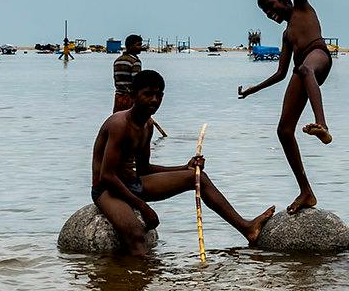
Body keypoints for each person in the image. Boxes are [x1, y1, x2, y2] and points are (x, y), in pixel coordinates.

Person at [91, 69, 273, 257]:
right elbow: (107, 176)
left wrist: (185, 168)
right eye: (147, 94)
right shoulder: (119, 124)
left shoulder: (147, 125)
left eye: (159, 95)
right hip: (108, 190)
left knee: (198, 178)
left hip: (133, 183)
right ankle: (141, 281)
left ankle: (247, 228)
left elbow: (144, 168)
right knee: (137, 235)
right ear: (133, 96)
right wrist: (144, 208)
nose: (154, 100)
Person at [238, 0, 333, 212]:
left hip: (318, 57)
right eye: (266, 13)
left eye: (271, 7)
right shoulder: (286, 34)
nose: (271, 14)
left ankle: (322, 125)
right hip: (301, 70)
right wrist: (252, 90)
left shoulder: (302, 8)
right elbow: (280, 73)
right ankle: (306, 191)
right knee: (283, 130)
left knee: (304, 70)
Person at [112, 34, 146, 111]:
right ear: (130, 46)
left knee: (119, 121)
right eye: (138, 45)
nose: (141, 47)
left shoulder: (118, 60)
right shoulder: (135, 61)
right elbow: (137, 82)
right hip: (130, 99)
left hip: (119, 98)